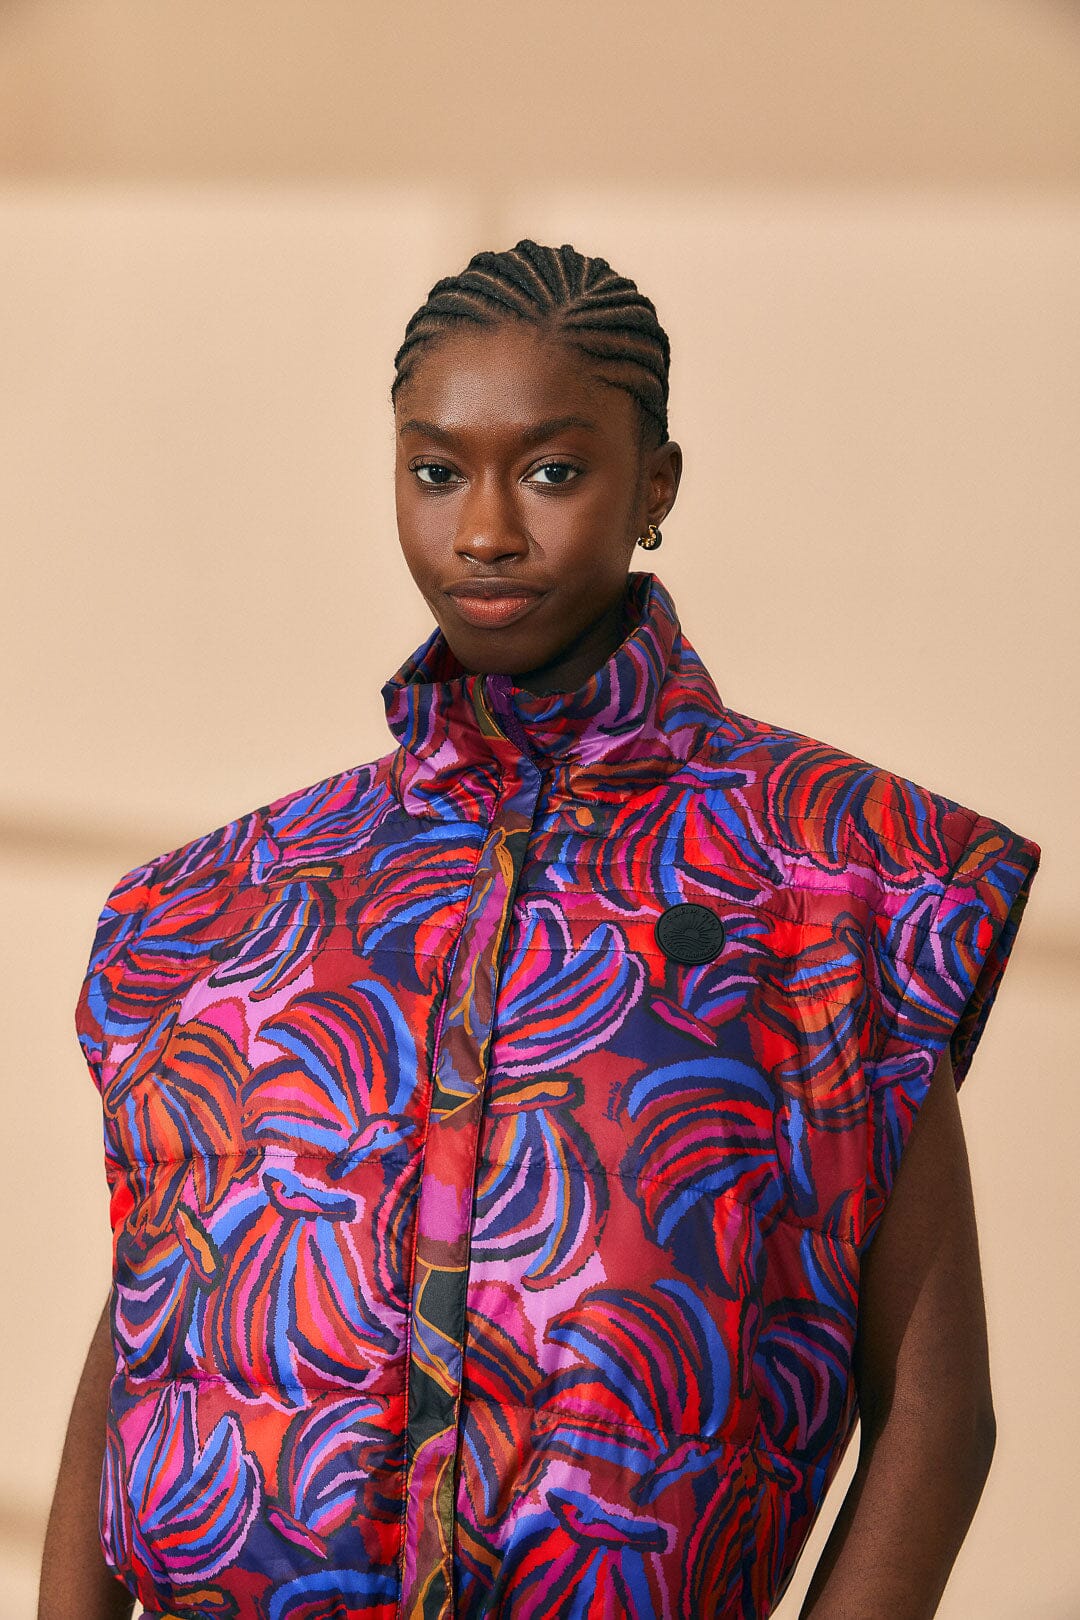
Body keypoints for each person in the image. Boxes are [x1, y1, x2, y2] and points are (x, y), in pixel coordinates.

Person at [39, 239, 1041, 1620]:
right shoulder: (226, 903)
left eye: (555, 472)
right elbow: (148, 1331)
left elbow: (936, 1413)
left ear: (657, 486)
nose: (487, 530)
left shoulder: (837, 877)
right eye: (435, 471)